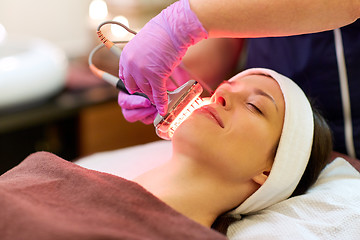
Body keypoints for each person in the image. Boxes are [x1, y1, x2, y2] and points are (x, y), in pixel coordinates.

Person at [0, 68, 332, 239]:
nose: (217, 97)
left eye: (254, 106)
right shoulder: (49, 170)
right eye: (222, 89)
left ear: (269, 171)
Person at [117, 0, 360, 158]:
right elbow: (230, 32)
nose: (219, 95)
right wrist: (176, 72)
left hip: (342, 140)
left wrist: (181, 24)